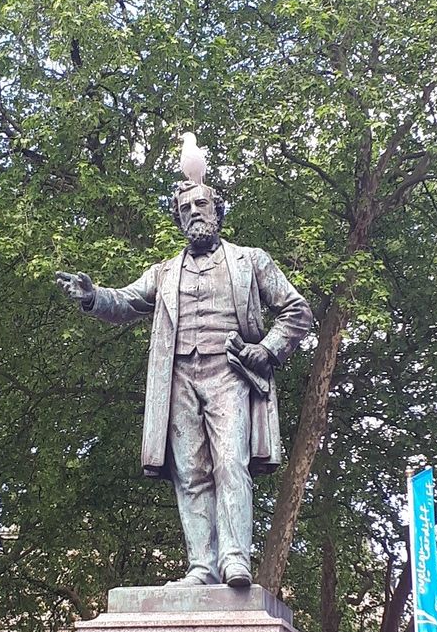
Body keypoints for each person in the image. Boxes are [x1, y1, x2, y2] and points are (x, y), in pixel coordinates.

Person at [56, 181, 312, 587]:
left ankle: (234, 559)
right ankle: (202, 566)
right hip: (178, 379)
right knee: (190, 472)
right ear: (178, 220)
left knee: (230, 462)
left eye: (201, 204)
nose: (193, 211)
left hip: (230, 373)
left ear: (217, 211)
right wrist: (92, 296)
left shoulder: (250, 260)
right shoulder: (164, 272)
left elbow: (297, 310)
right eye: (185, 208)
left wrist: (267, 349)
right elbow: (125, 301)